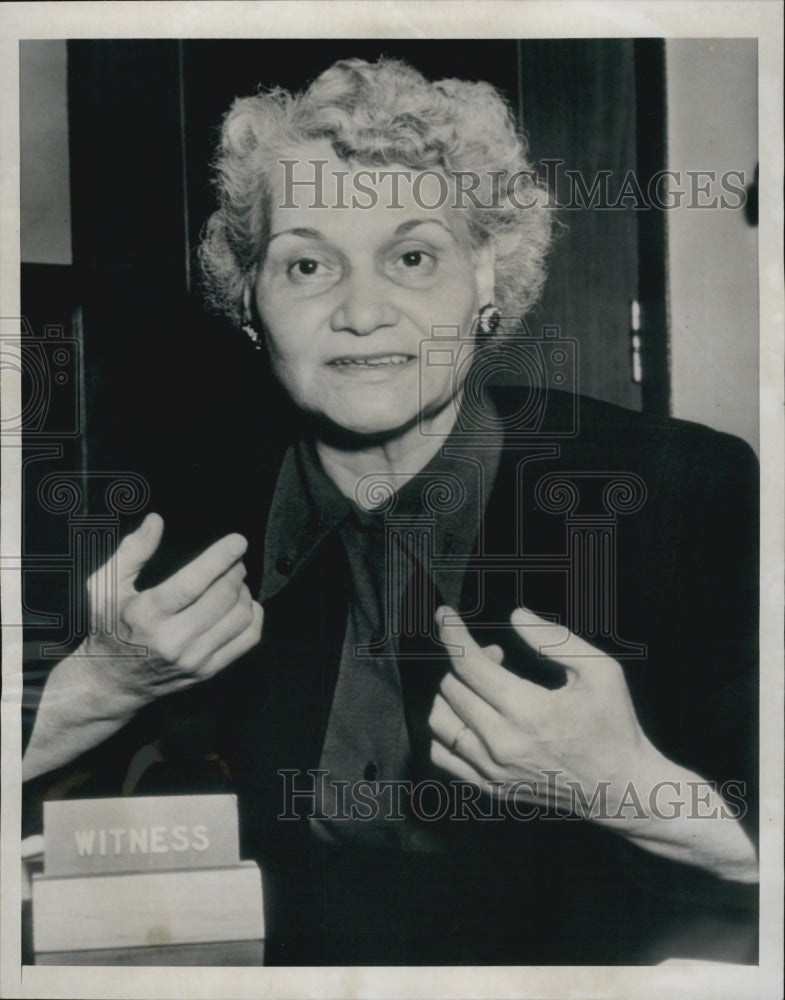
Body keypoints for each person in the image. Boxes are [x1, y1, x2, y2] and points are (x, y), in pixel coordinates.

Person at [23, 57, 758, 965]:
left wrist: (624, 788)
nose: (361, 311)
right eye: (305, 264)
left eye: (412, 257)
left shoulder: (679, 488)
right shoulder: (173, 516)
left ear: (486, 280)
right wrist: (103, 685)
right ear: (250, 303)